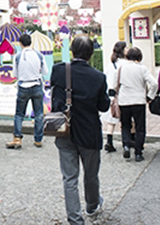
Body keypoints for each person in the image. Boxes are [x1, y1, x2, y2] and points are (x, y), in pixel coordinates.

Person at [51, 37, 110, 224]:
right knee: (91, 174)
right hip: (89, 132)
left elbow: (55, 101)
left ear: (72, 52)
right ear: (91, 54)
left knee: (69, 178)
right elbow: (103, 106)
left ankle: (75, 219)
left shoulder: (59, 71)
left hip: (65, 130)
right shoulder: (98, 77)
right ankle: (92, 205)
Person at [6, 33, 49, 149]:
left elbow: (15, 74)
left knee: (19, 114)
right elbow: (45, 71)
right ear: (31, 42)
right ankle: (38, 139)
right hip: (36, 85)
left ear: (20, 44)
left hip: (23, 86)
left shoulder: (17, 56)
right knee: (39, 114)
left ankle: (17, 138)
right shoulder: (39, 55)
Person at [116, 47, 158, 162]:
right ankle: (138, 153)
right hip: (139, 101)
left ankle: (126, 145)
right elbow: (154, 83)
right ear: (139, 56)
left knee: (125, 125)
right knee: (140, 128)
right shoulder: (142, 69)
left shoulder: (121, 68)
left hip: (124, 100)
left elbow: (115, 83)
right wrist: (150, 96)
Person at [100, 41, 128, 152]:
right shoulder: (125, 64)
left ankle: (109, 142)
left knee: (111, 118)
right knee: (126, 119)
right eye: (126, 48)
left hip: (110, 93)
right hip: (121, 93)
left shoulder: (110, 64)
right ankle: (128, 141)